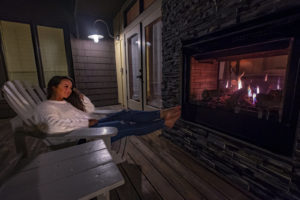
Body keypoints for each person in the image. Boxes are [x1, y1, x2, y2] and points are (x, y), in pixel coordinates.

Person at [33, 76, 181, 143]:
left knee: (126, 113)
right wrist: (84, 124)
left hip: (91, 126)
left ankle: (161, 113)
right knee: (125, 125)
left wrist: (80, 96)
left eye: (71, 87)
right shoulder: (46, 107)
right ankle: (163, 124)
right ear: (53, 87)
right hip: (84, 137)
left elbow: (90, 109)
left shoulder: (65, 102)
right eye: (65, 86)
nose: (69, 90)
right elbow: (52, 126)